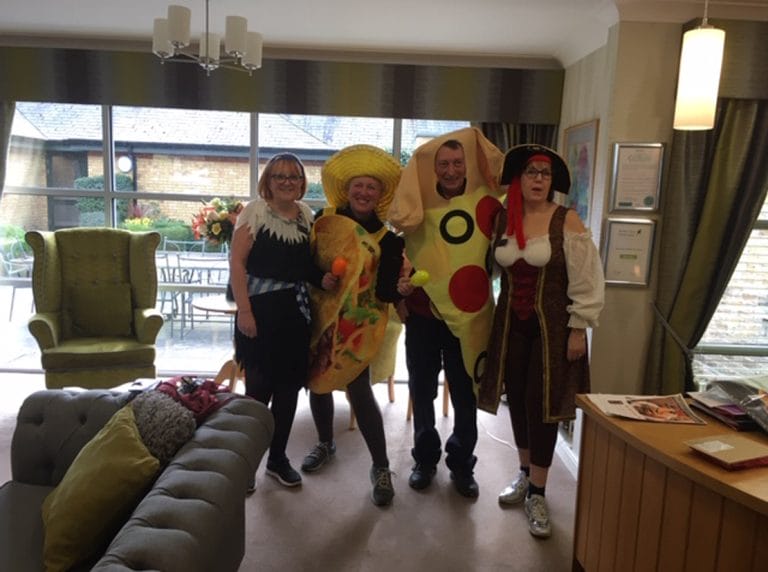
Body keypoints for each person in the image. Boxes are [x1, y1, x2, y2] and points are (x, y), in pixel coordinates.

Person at [479, 144, 604, 538]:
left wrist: (579, 327)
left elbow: (587, 278)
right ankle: (522, 473)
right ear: (518, 178)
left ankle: (538, 490)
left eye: (544, 174)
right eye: (531, 172)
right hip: (510, 324)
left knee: (543, 405)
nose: (538, 180)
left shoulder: (567, 220)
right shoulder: (503, 217)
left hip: (552, 329)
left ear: (552, 182)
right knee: (515, 398)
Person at [387, 127, 504, 498]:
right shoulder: (416, 205)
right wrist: (400, 301)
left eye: (457, 162)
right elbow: (393, 254)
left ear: (465, 164)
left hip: (468, 318)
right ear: (433, 169)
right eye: (444, 164)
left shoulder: (485, 203)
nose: (451, 170)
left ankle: (462, 463)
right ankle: (424, 459)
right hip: (423, 316)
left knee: (466, 391)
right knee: (422, 391)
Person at [302, 144, 412, 507]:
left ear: (380, 195)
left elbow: (382, 291)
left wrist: (398, 288)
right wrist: (321, 279)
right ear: (347, 190)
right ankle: (325, 442)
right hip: (320, 316)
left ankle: (380, 467)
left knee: (360, 391)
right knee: (317, 383)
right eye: (358, 186)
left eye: (371, 187)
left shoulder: (389, 240)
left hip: (359, 326)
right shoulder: (325, 219)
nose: (363, 193)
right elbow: (307, 264)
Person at [230, 152, 336, 488]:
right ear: (268, 182)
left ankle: (277, 459)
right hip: (259, 313)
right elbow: (237, 264)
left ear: (302, 182)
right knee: (258, 391)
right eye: (280, 176)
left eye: (294, 176)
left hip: (295, 313)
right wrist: (244, 312)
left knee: (289, 389)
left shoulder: (305, 216)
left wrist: (324, 280)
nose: (287, 182)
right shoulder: (255, 212)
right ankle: (244, 465)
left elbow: (304, 267)